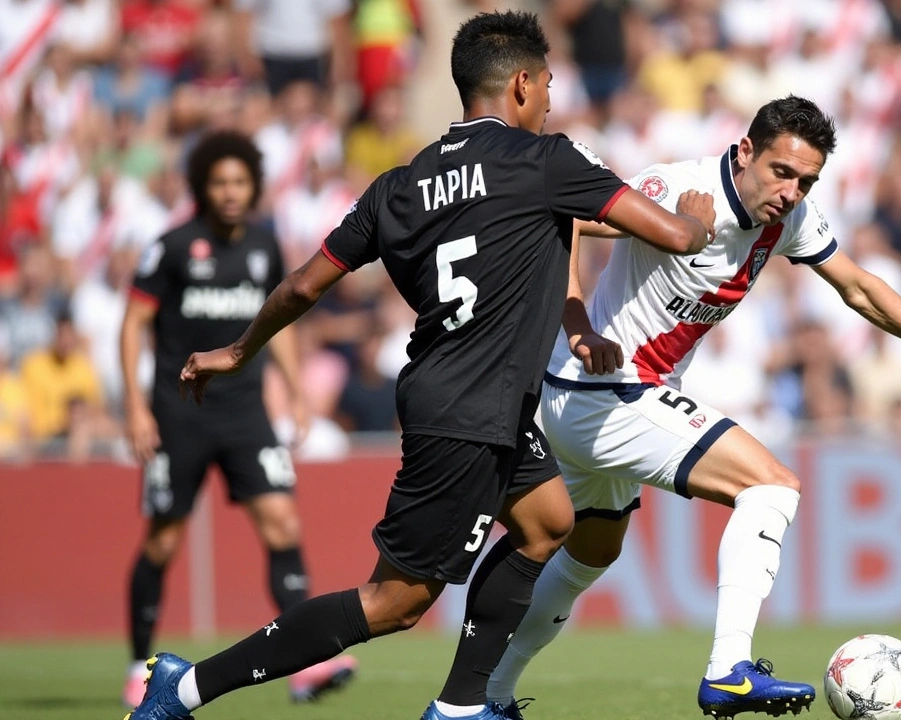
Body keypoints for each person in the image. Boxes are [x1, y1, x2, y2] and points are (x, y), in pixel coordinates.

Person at [125, 11, 715, 720]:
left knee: (547, 520)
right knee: (393, 603)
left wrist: (238, 348)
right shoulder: (546, 162)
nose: (553, 100)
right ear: (522, 84)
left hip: (465, 396)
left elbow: (303, 285)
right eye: (549, 84)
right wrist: (700, 217)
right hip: (470, 411)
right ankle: (186, 688)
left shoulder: (398, 187)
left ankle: (464, 706)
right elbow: (677, 237)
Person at [486, 96, 901, 720]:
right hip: (600, 389)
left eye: (806, 181)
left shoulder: (787, 219)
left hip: (605, 399)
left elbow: (858, 288)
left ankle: (486, 699)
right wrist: (577, 324)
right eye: (781, 172)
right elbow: (566, 218)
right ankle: (729, 670)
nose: (791, 191)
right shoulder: (675, 186)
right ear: (745, 153)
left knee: (590, 553)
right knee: (773, 487)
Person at [118, 130, 355, 709]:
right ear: (203, 186)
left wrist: (297, 394)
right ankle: (138, 666)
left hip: (246, 411)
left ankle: (306, 664)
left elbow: (279, 322)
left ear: (253, 187)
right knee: (163, 541)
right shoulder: (172, 246)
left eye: (240, 182)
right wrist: (134, 405)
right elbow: (132, 324)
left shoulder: (264, 247)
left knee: (282, 525)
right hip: (179, 415)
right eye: (220, 182)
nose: (230, 192)